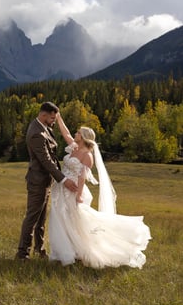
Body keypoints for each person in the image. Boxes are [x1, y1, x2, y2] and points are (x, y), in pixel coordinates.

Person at [48, 113, 151, 269]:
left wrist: (78, 195)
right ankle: (66, 251)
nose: (75, 134)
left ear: (82, 137)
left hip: (74, 189)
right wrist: (59, 118)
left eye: (78, 133)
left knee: (74, 220)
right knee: (62, 218)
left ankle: (78, 251)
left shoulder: (87, 155)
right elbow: (66, 133)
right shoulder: (74, 147)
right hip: (62, 188)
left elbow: (82, 176)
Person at [15, 102, 78, 261]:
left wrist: (59, 116)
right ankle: (22, 254)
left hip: (45, 181)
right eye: (52, 117)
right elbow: (46, 160)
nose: (54, 121)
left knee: (41, 219)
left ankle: (40, 250)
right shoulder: (37, 133)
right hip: (37, 181)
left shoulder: (44, 127)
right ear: (43, 115)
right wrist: (63, 179)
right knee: (32, 218)